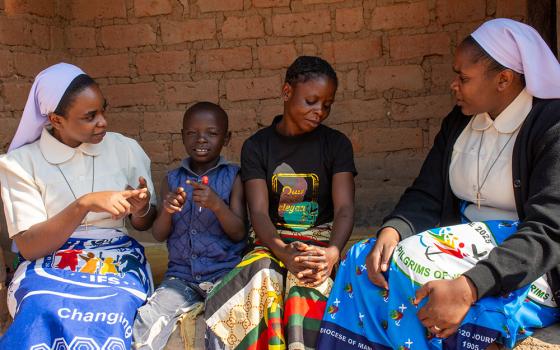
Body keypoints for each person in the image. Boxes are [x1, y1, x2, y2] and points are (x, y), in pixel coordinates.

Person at [318, 18, 560, 350]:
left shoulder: (551, 126)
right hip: (460, 241)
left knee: (410, 266)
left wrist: (469, 287)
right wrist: (394, 229)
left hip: (522, 261)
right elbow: (428, 191)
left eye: (463, 78)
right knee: (362, 258)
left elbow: (549, 229)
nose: (453, 85)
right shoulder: (461, 120)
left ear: (504, 79)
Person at [0, 63, 157, 349]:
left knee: (115, 305)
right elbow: (30, 247)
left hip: (118, 258)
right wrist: (84, 204)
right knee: (42, 305)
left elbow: (148, 225)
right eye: (90, 116)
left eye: (103, 110)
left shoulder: (125, 149)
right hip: (46, 263)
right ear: (55, 119)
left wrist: (141, 210)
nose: (103, 122)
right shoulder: (20, 164)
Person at [205, 55, 356, 349]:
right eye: (311, 101)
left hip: (319, 242)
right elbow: (259, 214)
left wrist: (332, 254)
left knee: (307, 285)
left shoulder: (336, 145)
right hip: (270, 242)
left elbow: (345, 209)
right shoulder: (258, 146)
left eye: (327, 104)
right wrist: (282, 251)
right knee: (261, 276)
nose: (320, 111)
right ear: (287, 92)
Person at [132, 102, 247, 349]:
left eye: (211, 133)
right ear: (182, 136)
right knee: (147, 321)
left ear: (226, 138)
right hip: (181, 278)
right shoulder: (172, 180)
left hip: (224, 273)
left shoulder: (234, 177)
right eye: (192, 133)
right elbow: (159, 233)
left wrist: (217, 204)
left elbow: (239, 233)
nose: (201, 139)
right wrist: (167, 211)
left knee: (227, 326)